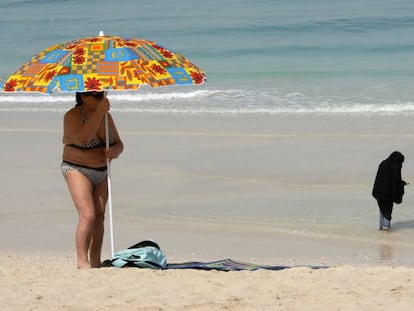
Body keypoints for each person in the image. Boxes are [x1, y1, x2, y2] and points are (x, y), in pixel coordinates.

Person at [61, 91, 124, 268]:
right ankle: (82, 261)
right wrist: (98, 113)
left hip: (101, 171)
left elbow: (119, 143)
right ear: (83, 97)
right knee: (88, 215)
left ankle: (95, 261)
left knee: (99, 215)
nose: (101, 99)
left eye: (101, 95)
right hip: (77, 168)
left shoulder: (106, 117)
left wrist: (115, 151)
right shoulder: (72, 116)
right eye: (96, 96)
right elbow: (83, 139)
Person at [372, 151, 407, 232]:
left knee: (382, 210)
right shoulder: (395, 167)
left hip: (378, 192)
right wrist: (402, 184)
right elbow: (395, 182)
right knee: (387, 212)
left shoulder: (383, 164)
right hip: (387, 194)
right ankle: (385, 230)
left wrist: (401, 183)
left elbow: (380, 179)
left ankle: (381, 229)